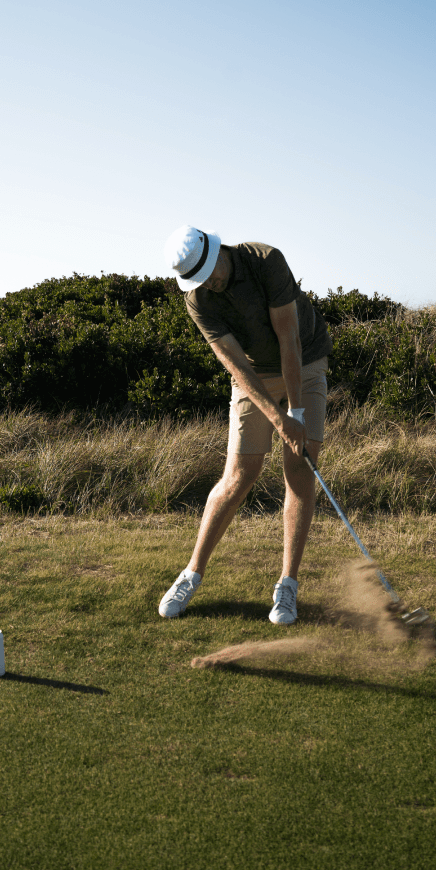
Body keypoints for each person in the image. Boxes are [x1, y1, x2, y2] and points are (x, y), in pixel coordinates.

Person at [159, 225, 333, 624]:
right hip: (254, 376)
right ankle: (191, 574)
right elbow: (234, 362)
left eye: (211, 273)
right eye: (200, 281)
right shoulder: (198, 300)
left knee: (299, 472)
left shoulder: (265, 261)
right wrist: (276, 416)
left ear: (217, 250)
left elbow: (289, 339)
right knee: (240, 474)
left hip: (305, 362)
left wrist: (297, 416)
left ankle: (287, 587)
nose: (211, 284)